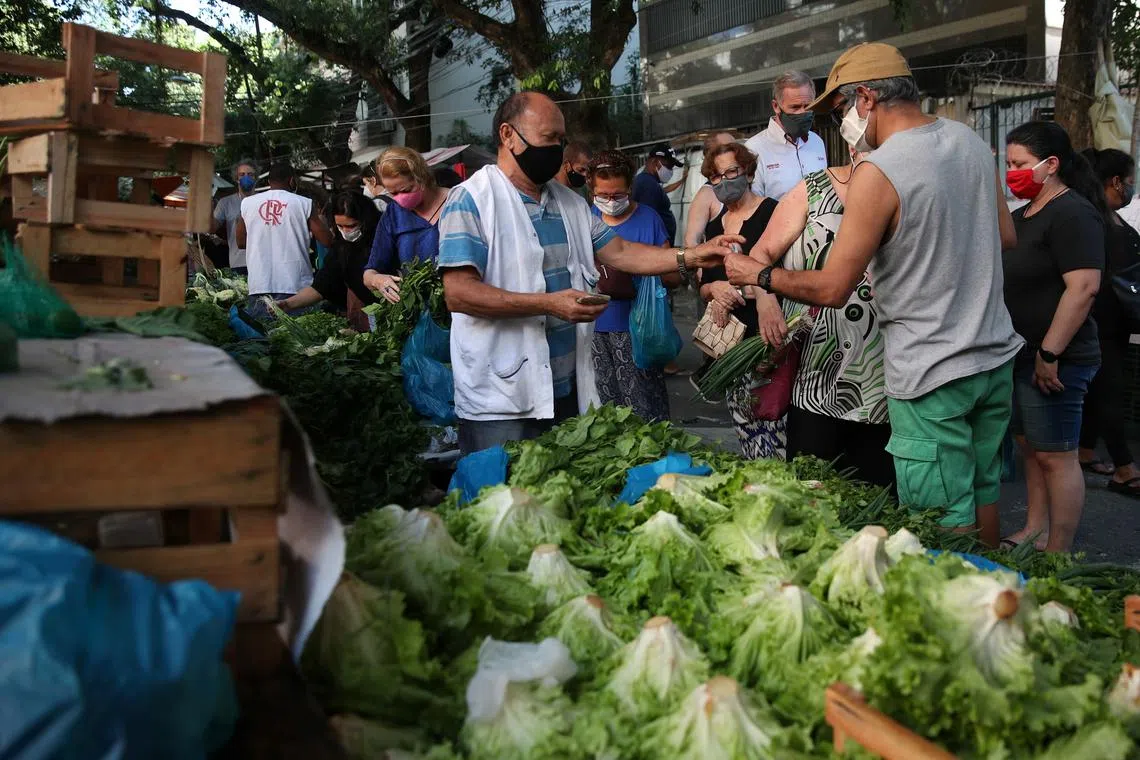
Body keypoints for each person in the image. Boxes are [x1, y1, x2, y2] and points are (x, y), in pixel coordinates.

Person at [723, 42, 1022, 549]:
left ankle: (953, 616)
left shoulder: (879, 170)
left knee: (941, 516)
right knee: (982, 491)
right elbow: (1005, 237)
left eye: (839, 109)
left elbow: (834, 287)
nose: (840, 123)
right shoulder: (969, 141)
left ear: (866, 97)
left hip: (932, 373)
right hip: (993, 360)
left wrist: (760, 275)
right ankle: (995, 591)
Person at [437, 91, 741, 455]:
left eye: (561, 140)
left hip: (566, 389)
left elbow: (623, 252)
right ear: (508, 135)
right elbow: (459, 293)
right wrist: (549, 304)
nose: (558, 150)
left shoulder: (569, 204)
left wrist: (692, 255)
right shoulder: (470, 200)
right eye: (549, 139)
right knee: (500, 498)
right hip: (502, 399)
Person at [746, 149, 892, 489]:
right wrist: (767, 303)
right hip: (816, 371)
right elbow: (760, 255)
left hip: (886, 375)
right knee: (811, 491)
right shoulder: (813, 189)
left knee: (879, 497)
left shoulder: (901, 190)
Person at [999, 123, 1106, 552]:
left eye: (1021, 164)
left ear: (1051, 165)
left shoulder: (1072, 213)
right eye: (1008, 164)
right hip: (1024, 356)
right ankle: (1034, 530)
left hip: (1057, 358)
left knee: (1057, 455)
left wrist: (1049, 351)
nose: (1012, 172)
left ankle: (1058, 549)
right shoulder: (1021, 215)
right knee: (1032, 450)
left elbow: (1083, 288)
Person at [698, 142, 781, 459]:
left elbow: (785, 276)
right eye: (715, 177)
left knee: (775, 427)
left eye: (730, 172)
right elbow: (704, 285)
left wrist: (748, 291)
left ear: (747, 171)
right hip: (730, 347)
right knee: (746, 433)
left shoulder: (773, 213)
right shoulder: (713, 227)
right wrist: (716, 290)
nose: (723, 181)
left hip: (768, 339)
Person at [587, 150, 674, 422]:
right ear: (592, 189)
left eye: (618, 195)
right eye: (603, 195)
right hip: (595, 330)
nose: (610, 201)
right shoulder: (585, 218)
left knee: (646, 410)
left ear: (630, 189)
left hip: (641, 330)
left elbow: (672, 276)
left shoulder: (649, 219)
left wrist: (640, 269)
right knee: (607, 412)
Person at [1079, 148, 1140, 498]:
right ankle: (1124, 467)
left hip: (1115, 321)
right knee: (1108, 390)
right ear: (1115, 181)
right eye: (1128, 182)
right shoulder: (1096, 220)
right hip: (1102, 321)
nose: (1130, 189)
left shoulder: (1106, 217)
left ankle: (1086, 451)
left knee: (1098, 390)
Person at [237, 161, 334, 318]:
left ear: (269, 182)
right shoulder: (303, 203)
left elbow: (241, 242)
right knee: (297, 338)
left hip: (259, 284)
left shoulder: (247, 203)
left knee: (263, 338)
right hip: (296, 285)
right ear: (292, 180)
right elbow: (327, 241)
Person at [276, 191, 381, 331]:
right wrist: (288, 304)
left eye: (351, 226)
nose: (346, 231)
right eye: (340, 226)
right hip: (373, 313)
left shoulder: (383, 240)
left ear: (365, 221)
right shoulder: (342, 247)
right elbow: (323, 285)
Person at [363, 147, 450, 304]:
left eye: (405, 190)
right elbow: (369, 274)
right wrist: (378, 280)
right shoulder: (393, 214)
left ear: (422, 177)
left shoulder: (457, 201)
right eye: (392, 193)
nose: (399, 199)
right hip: (419, 309)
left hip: (461, 305)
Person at [742, 71, 828, 201]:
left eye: (808, 106)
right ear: (776, 106)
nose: (803, 112)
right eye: (795, 107)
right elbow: (754, 207)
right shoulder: (754, 149)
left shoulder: (817, 142)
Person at [684, 132, 737, 249]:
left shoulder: (745, 185)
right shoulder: (706, 194)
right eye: (730, 148)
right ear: (713, 155)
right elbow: (691, 243)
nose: (738, 152)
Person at [632, 143, 686, 244]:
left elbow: (665, 190)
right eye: (668, 166)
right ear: (655, 162)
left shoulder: (649, 182)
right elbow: (647, 222)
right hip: (656, 249)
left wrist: (682, 180)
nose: (670, 171)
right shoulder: (647, 184)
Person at [212, 159, 257, 273]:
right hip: (238, 263)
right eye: (242, 174)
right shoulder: (225, 203)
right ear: (236, 179)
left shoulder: (264, 201)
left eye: (250, 174)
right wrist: (208, 206)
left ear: (255, 178)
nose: (246, 177)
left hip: (262, 261)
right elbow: (212, 228)